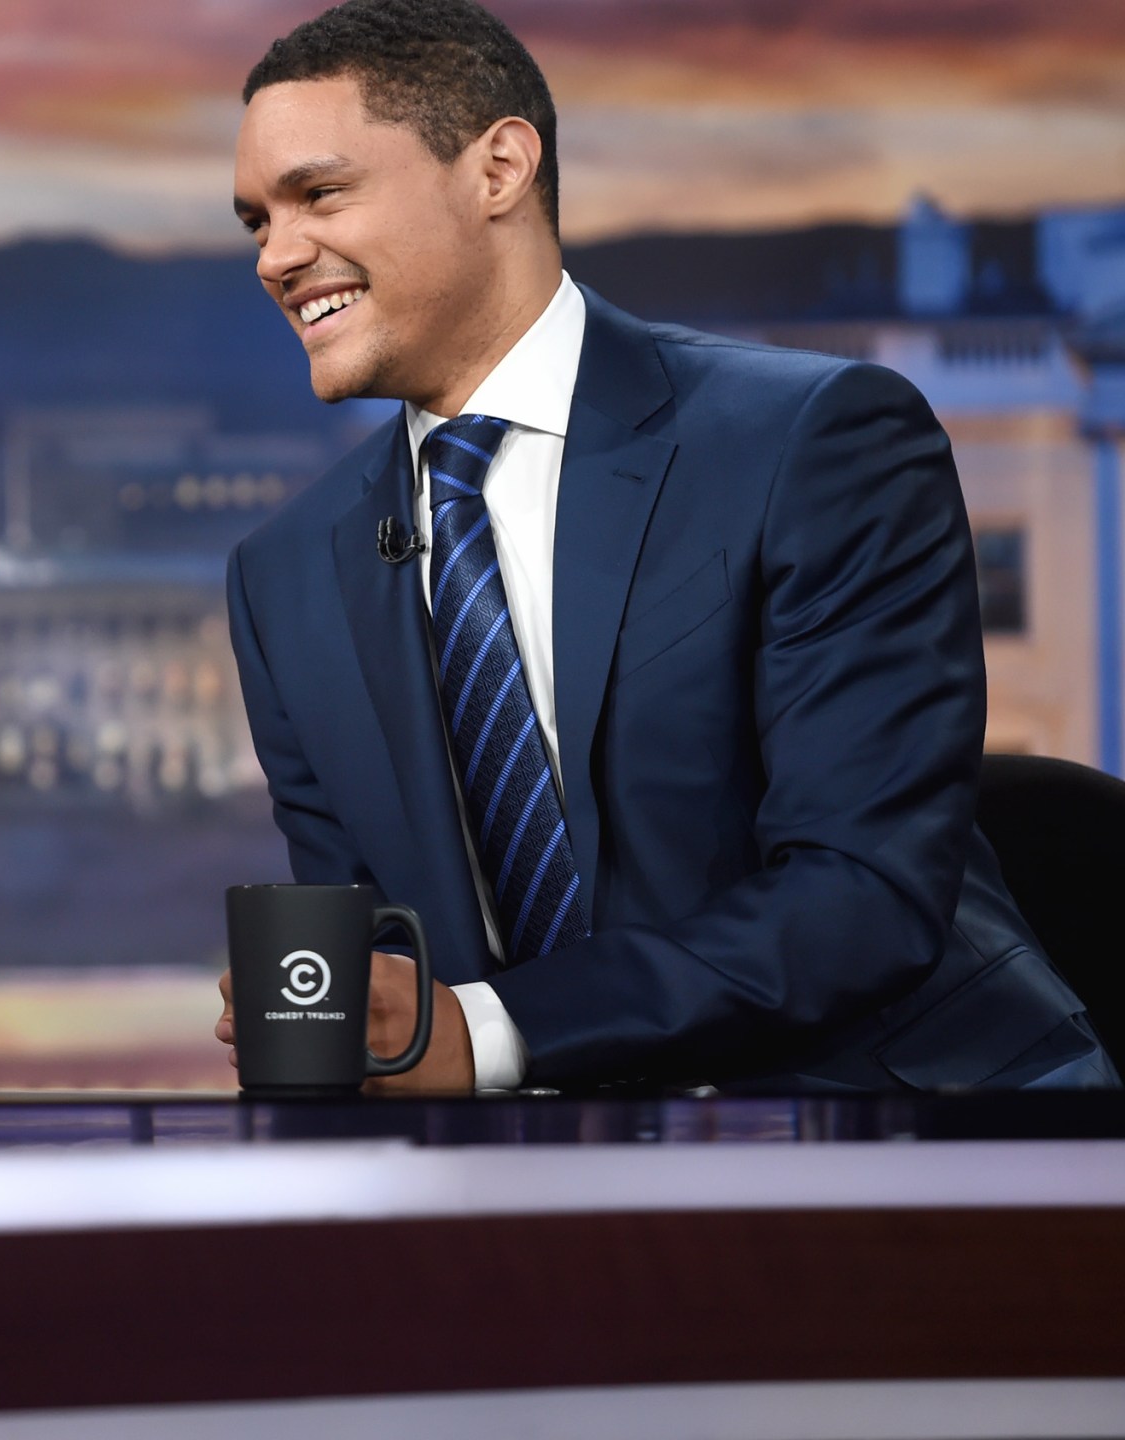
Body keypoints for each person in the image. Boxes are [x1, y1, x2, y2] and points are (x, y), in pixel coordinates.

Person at [216, 0, 1114, 1092]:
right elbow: (388, 966)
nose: (278, 255)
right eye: (256, 221)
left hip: (905, 1148)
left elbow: (860, 897)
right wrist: (346, 1011)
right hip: (527, 1186)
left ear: (497, 168)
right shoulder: (285, 577)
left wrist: (491, 1032)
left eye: (317, 193)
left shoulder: (814, 439)